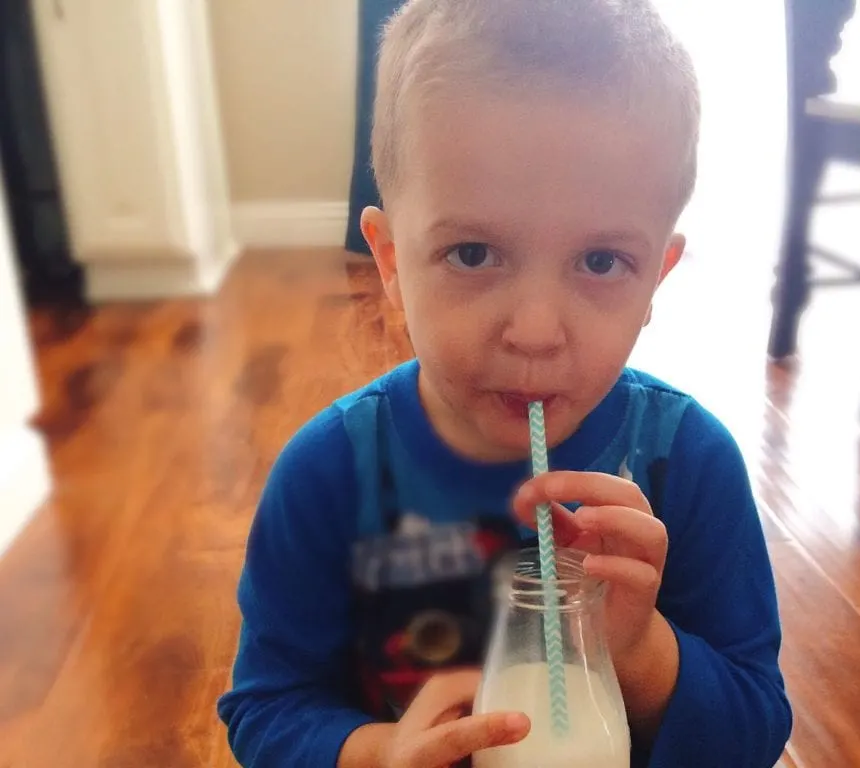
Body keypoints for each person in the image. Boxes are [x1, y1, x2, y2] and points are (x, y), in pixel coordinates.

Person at [217, 0, 792, 765]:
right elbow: (267, 705)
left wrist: (642, 650)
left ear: (656, 278)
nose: (534, 330)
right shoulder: (329, 473)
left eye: (600, 262)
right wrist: (378, 752)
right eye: (474, 254)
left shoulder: (682, 465)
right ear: (390, 262)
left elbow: (755, 728)